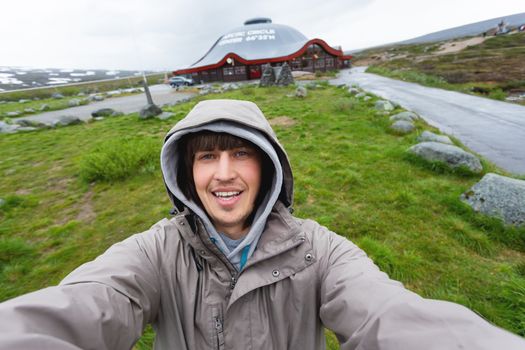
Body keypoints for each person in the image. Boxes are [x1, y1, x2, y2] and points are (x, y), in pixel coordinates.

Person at [0, 99, 524, 350]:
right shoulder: (153, 253)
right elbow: (86, 302)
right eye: (206, 158)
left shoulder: (322, 251)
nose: (223, 174)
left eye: (240, 155)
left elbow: (390, 315)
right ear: (186, 172)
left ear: (268, 166)